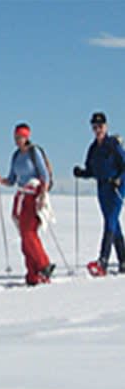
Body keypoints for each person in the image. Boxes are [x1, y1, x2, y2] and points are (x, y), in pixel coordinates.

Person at [0, 122, 54, 285]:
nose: (18, 140)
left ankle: (43, 265)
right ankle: (32, 274)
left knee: (29, 234)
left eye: (21, 136)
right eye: (16, 137)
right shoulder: (16, 156)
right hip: (22, 198)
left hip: (34, 196)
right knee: (25, 238)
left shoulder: (34, 153)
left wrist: (42, 195)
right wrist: (1, 181)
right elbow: (12, 179)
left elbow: (44, 176)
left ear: (27, 137)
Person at [74, 112, 125, 275]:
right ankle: (123, 260)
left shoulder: (113, 145)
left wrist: (119, 179)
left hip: (116, 187)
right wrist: (81, 173)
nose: (98, 130)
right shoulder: (93, 149)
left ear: (106, 127)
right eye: (95, 127)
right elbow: (92, 170)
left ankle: (103, 261)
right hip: (102, 188)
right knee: (114, 224)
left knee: (110, 221)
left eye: (100, 126)